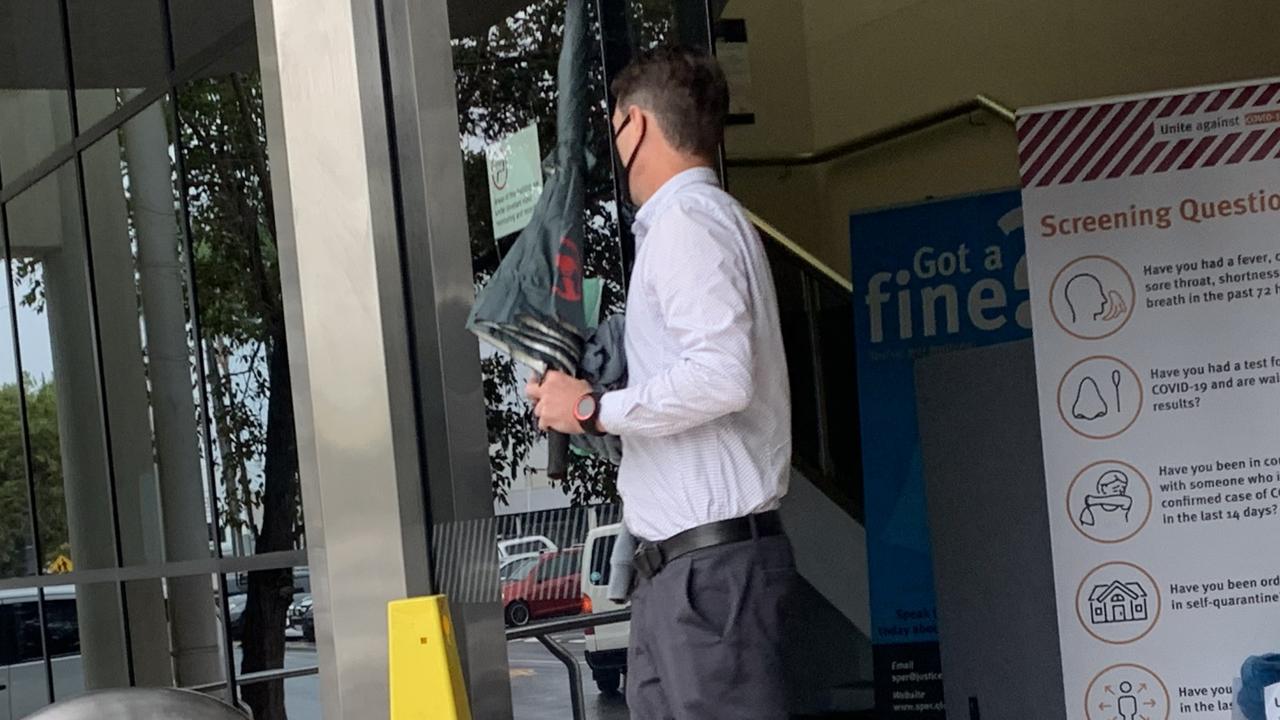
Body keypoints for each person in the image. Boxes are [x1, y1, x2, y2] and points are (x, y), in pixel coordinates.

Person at [525, 45, 795, 719]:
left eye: (613, 127)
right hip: (685, 576)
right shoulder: (693, 226)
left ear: (635, 125)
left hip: (709, 581)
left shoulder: (687, 226)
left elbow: (722, 376)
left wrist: (589, 407)